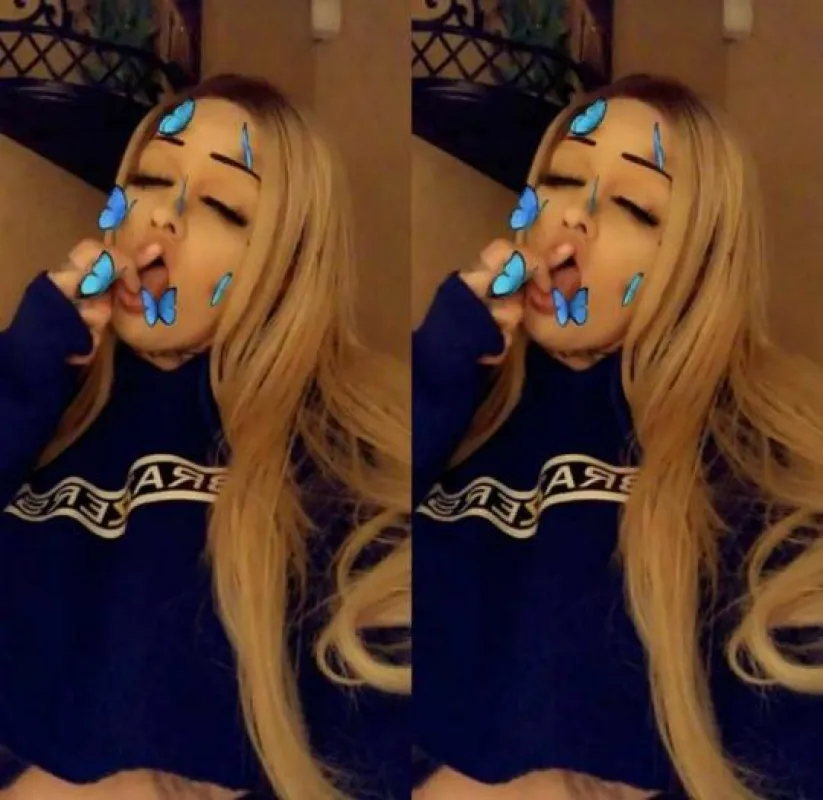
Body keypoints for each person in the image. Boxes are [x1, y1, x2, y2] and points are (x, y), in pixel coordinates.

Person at [411, 73, 823, 800]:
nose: (574, 215)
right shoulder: (450, 404)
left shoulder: (763, 456)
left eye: (634, 206)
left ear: (699, 261)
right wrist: (433, 376)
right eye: (561, 180)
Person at [0, 74, 410, 800]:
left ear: (287, 264)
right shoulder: (35, 400)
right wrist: (20, 375)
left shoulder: (347, 462)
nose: (162, 215)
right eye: (150, 180)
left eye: (221, 206)